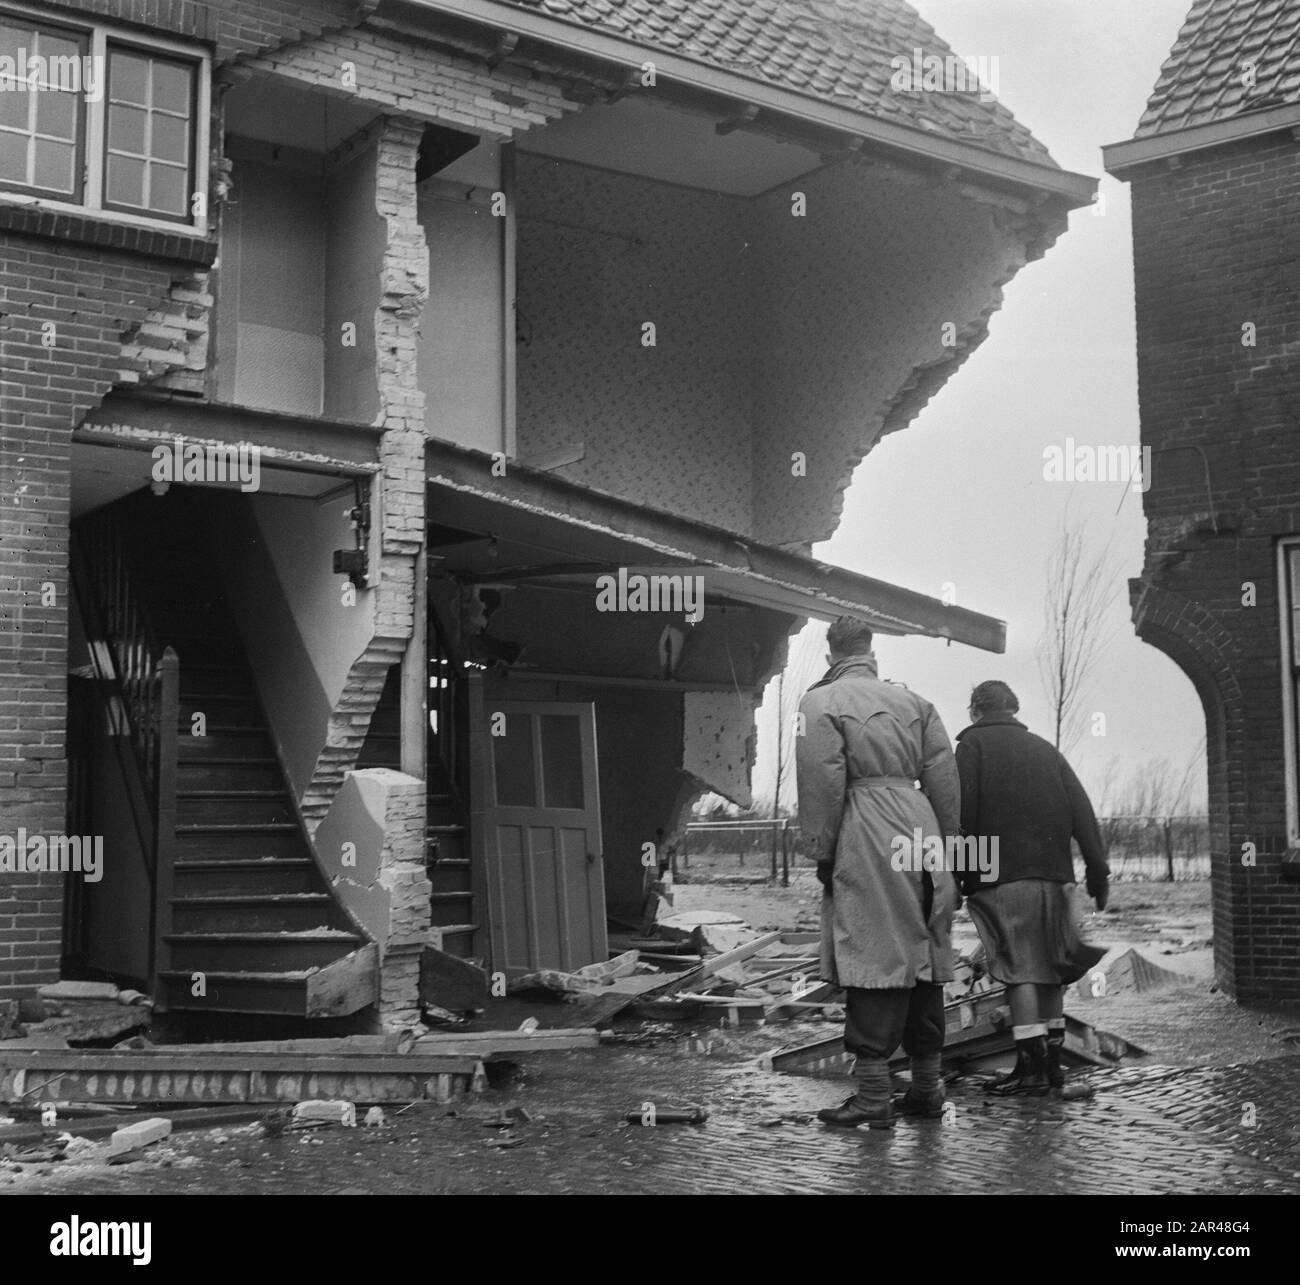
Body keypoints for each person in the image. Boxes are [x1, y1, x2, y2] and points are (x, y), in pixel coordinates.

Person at [796, 617, 961, 1129]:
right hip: (921, 822)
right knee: (924, 950)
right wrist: (948, 845)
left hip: (865, 826)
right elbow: (945, 776)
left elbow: (822, 780)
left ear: (831, 654)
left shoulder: (819, 702)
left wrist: (823, 852)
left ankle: (872, 1099)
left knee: (873, 950)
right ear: (872, 652)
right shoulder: (917, 703)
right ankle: (927, 1092)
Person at [955, 680, 1110, 1097]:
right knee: (1050, 971)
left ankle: (1031, 1069)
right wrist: (1098, 873)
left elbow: (965, 816)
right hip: (1058, 877)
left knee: (1019, 969)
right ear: (1014, 709)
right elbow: (1083, 811)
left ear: (974, 710)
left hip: (1002, 877)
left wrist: (960, 878)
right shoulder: (1046, 750)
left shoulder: (972, 748)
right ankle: (1053, 1066)